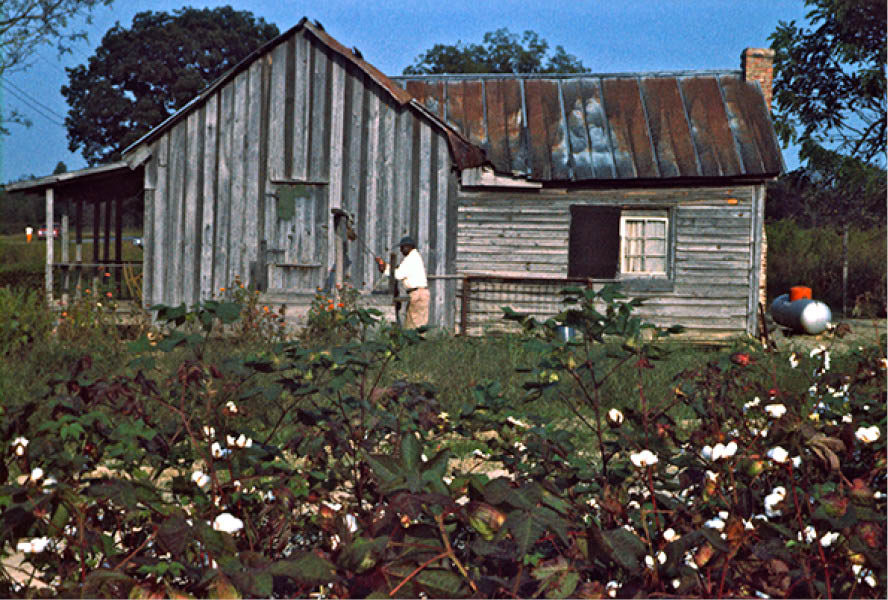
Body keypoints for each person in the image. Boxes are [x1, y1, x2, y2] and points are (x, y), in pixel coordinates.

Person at [376, 236, 429, 328]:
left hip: (417, 293)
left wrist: (384, 269)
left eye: (402, 247)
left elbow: (398, 275)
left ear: (408, 247)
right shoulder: (413, 257)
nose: (401, 250)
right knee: (414, 322)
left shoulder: (411, 259)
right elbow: (399, 270)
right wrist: (386, 266)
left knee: (415, 325)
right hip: (419, 293)